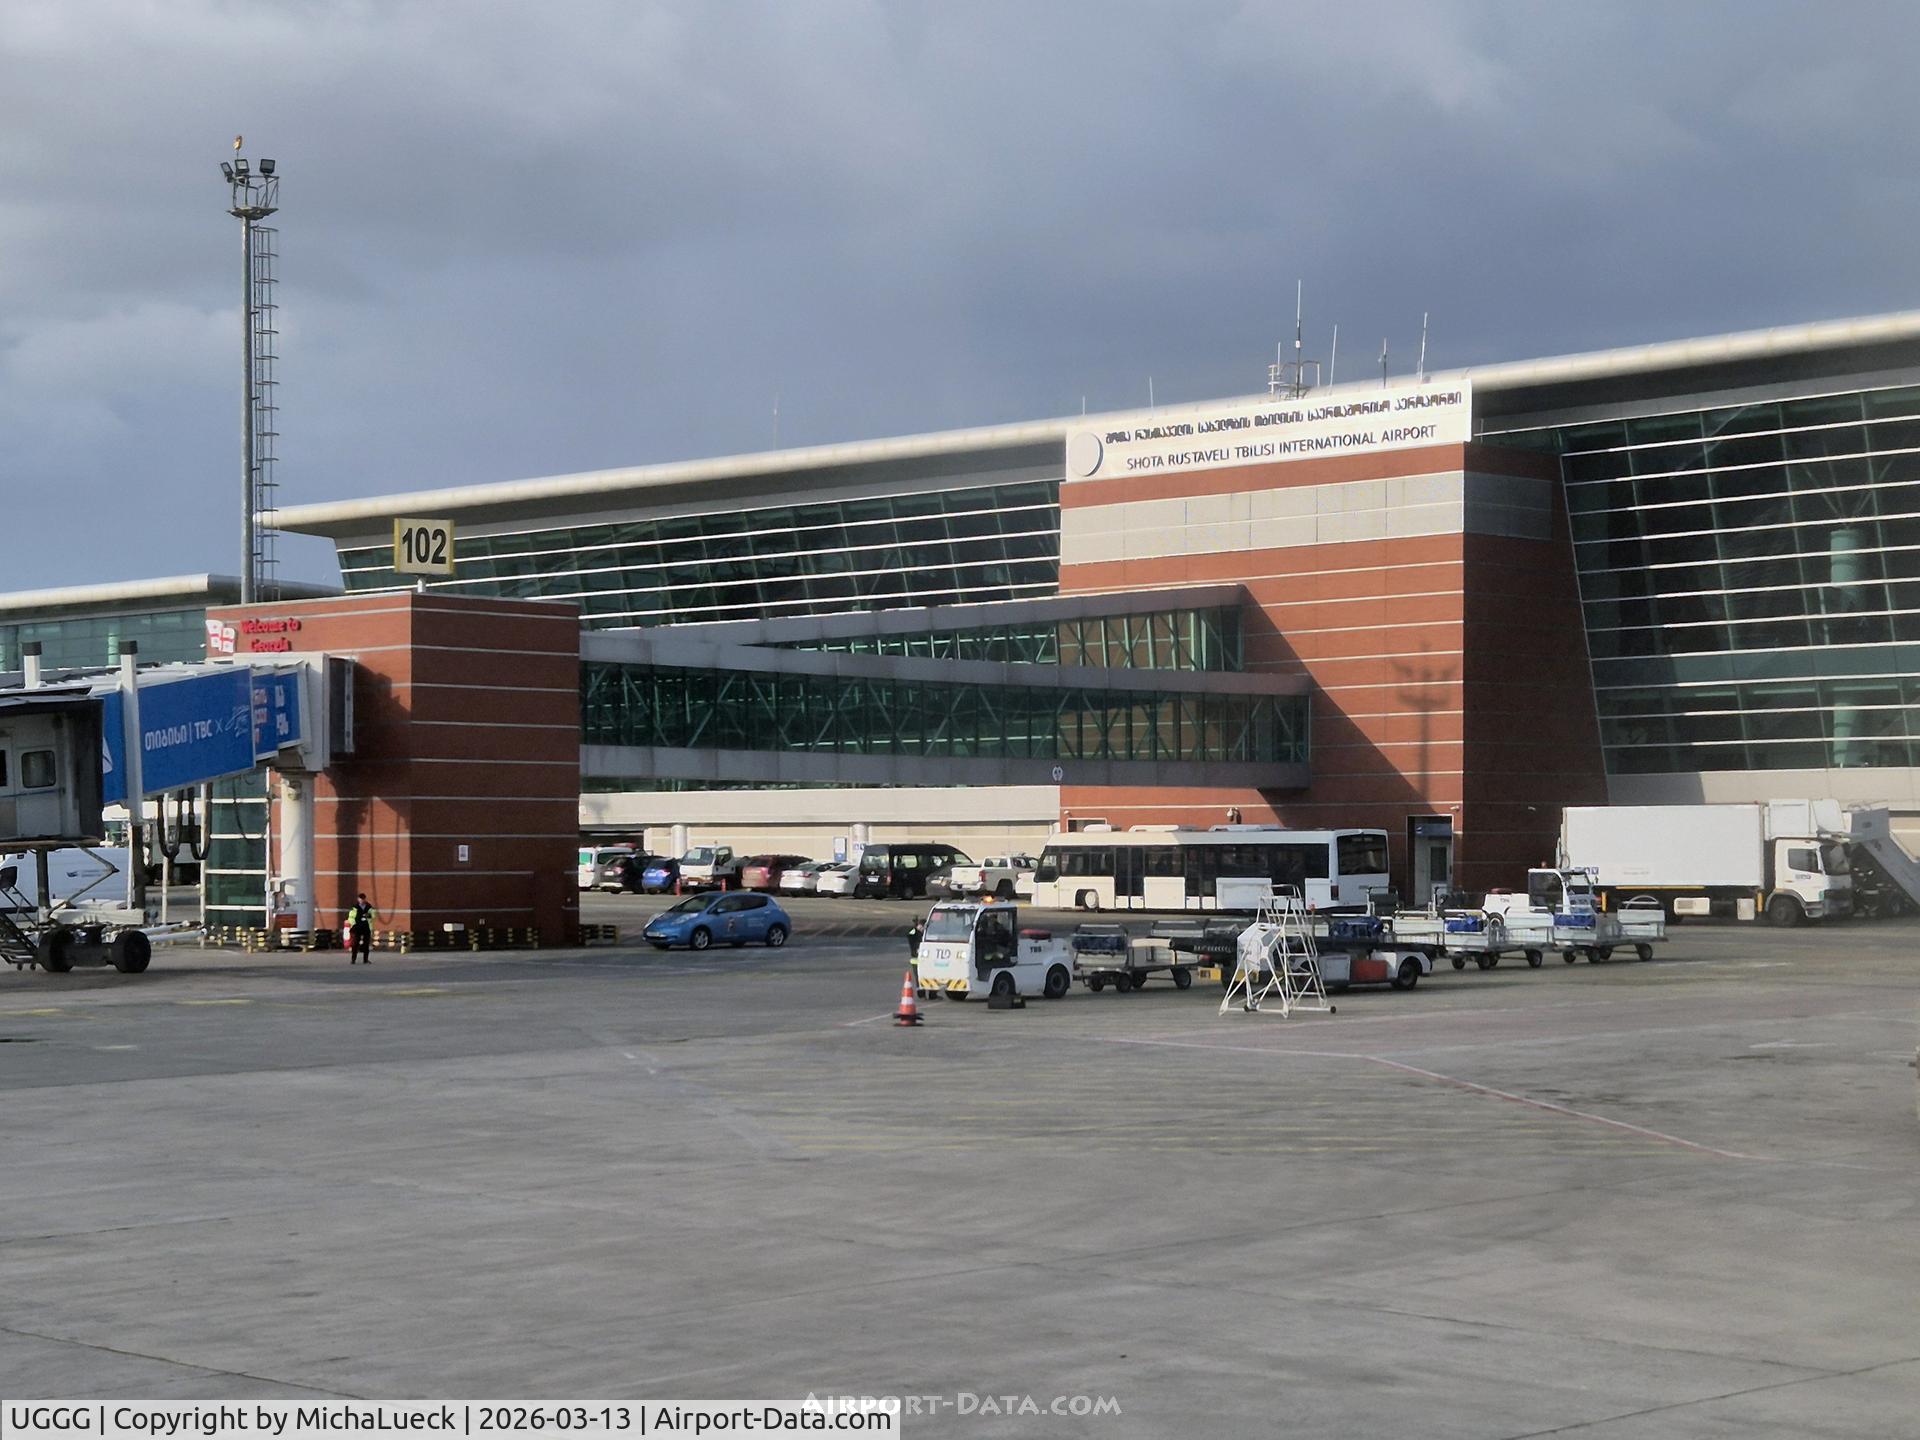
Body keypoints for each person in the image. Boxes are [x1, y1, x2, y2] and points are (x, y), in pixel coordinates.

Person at [345, 892, 377, 964]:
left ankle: (365, 959)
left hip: (366, 927)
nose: (362, 900)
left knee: (366, 944)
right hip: (357, 928)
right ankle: (353, 959)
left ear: (365, 899)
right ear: (358, 899)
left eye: (363, 899)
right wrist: (354, 924)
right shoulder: (354, 908)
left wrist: (369, 915)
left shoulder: (369, 907)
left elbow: (374, 915)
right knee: (355, 943)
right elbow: (351, 917)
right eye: (360, 899)